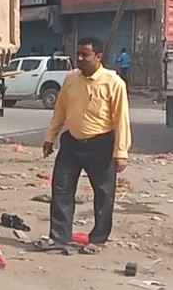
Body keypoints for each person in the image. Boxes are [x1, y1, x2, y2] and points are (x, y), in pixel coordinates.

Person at [36, 36, 131, 255]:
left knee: (104, 193)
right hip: (71, 143)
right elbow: (59, 110)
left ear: (98, 57)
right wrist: (50, 137)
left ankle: (97, 239)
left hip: (101, 144)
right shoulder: (71, 79)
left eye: (85, 55)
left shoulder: (113, 82)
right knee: (61, 188)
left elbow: (121, 119)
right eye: (78, 53)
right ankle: (59, 237)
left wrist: (121, 151)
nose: (79, 58)